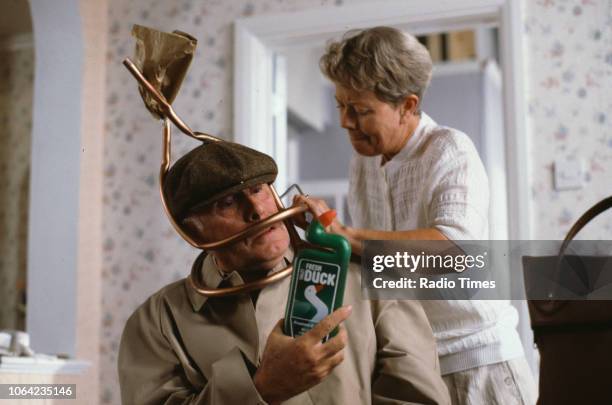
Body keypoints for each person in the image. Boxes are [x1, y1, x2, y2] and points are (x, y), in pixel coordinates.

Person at [293, 26, 537, 404]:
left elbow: (455, 249)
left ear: (407, 105)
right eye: (340, 105)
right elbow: (374, 262)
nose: (344, 121)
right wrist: (319, 239)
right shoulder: (362, 164)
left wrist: (346, 233)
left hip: (479, 364)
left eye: (359, 110)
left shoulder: (449, 150)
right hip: (415, 364)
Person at [117, 140, 450, 404]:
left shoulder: (370, 282)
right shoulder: (157, 323)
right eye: (227, 203)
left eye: (260, 189)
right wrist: (261, 390)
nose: (259, 211)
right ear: (194, 231)